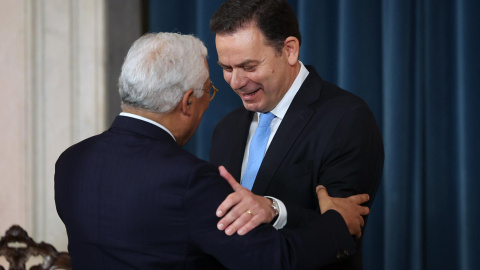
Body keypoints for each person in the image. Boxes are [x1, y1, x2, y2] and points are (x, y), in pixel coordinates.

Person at [54, 32, 370, 270]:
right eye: (210, 91)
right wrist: (337, 224)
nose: (214, 97)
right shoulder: (190, 181)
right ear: (187, 101)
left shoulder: (70, 161)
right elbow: (272, 259)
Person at [209, 0, 384, 269]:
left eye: (249, 66)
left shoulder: (347, 118)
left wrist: (274, 209)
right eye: (227, 68)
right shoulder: (226, 128)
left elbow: (342, 230)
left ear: (289, 50)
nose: (236, 82)